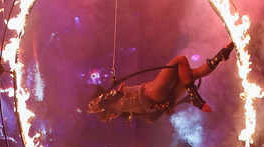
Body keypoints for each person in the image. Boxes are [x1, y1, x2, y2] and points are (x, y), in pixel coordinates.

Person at [88, 42, 235, 123]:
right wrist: (109, 98)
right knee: (181, 60)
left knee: (192, 74)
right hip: (152, 92)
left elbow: (150, 119)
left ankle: (220, 56)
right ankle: (196, 99)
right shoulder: (110, 103)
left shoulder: (125, 109)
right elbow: (94, 107)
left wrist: (163, 107)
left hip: (162, 97)